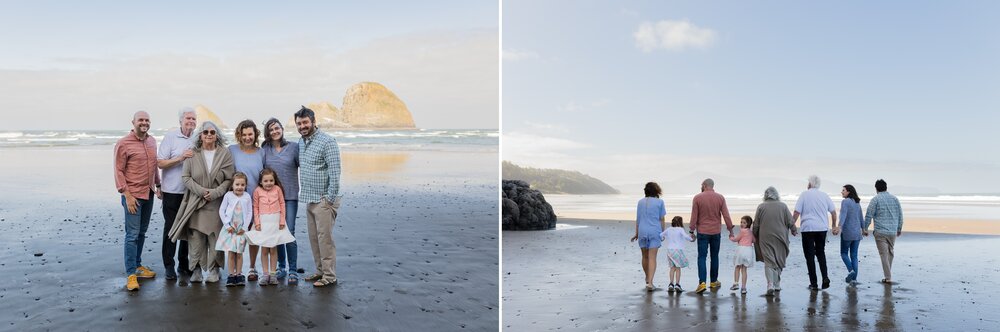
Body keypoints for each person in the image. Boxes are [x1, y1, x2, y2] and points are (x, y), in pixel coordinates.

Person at [168, 121, 234, 284]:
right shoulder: (192, 153)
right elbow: (186, 177)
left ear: (217, 134)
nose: (209, 135)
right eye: (206, 132)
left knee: (215, 238)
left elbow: (229, 178)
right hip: (195, 202)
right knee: (195, 238)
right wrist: (200, 191)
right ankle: (196, 269)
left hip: (216, 203)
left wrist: (215, 192)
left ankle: (214, 269)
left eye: (212, 132)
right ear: (200, 135)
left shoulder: (224, 153)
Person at [295, 106, 344, 287]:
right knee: (314, 238)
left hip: (324, 199)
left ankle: (329, 276)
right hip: (309, 198)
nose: (302, 126)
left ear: (313, 122)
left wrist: (329, 199)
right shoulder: (301, 142)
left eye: (305, 122)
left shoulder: (327, 142)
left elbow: (335, 172)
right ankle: (320, 271)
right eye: (299, 123)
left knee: (325, 240)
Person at [114, 111, 162, 291]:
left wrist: (158, 185)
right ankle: (131, 274)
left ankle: (138, 266)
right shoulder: (123, 143)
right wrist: (126, 194)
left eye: (147, 120)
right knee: (132, 235)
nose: (144, 123)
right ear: (133, 122)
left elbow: (154, 166)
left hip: (148, 193)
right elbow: (118, 171)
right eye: (141, 120)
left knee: (142, 232)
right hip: (132, 195)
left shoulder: (152, 141)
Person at [157, 107, 196, 280]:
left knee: (187, 230)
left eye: (194, 119)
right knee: (171, 229)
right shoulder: (171, 137)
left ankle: (183, 264)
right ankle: (169, 266)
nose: (191, 122)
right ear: (180, 121)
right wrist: (181, 158)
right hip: (171, 191)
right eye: (188, 118)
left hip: (190, 193)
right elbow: (160, 163)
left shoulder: (197, 139)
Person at [261, 118, 301, 283]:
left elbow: (303, 166)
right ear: (268, 133)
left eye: (277, 128)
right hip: (272, 199)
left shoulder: (293, 147)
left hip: (290, 196)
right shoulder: (265, 149)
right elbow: (262, 172)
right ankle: (281, 267)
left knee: (289, 232)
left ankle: (293, 269)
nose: (275, 131)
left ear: (282, 129)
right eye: (271, 129)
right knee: (277, 233)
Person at [229, 119, 266, 282]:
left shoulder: (261, 152)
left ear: (255, 134)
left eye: (250, 134)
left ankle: (251, 267)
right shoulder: (232, 150)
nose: (247, 137)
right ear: (239, 135)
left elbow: (265, 175)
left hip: (256, 200)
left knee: (253, 235)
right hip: (237, 201)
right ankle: (235, 271)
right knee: (237, 235)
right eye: (244, 134)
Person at [247, 168, 296, 286]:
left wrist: (282, 219)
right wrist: (257, 222)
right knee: (264, 249)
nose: (269, 183)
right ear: (260, 182)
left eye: (271, 180)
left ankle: (273, 274)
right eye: (266, 181)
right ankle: (265, 274)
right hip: (263, 222)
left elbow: (282, 204)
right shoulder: (257, 191)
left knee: (273, 249)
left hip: (275, 221)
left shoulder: (278, 189)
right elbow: (256, 207)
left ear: (274, 181)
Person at [689, 178, 734, 294]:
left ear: (704, 185)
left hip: (703, 232)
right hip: (715, 232)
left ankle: (702, 283)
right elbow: (726, 215)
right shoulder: (720, 198)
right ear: (712, 186)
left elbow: (694, 216)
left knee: (702, 257)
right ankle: (713, 281)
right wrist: (730, 229)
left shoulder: (697, 197)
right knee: (714, 257)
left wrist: (691, 230)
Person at [792, 175, 837, 290]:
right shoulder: (824, 195)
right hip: (822, 228)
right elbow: (833, 212)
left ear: (810, 184)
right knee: (821, 253)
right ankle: (825, 277)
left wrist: (792, 226)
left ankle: (814, 283)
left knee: (809, 256)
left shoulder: (804, 195)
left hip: (808, 228)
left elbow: (797, 212)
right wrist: (833, 225)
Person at [752, 186, 797, 296]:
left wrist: (754, 234)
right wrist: (794, 230)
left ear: (765, 195)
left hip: (765, 236)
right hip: (781, 236)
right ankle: (777, 285)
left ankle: (770, 284)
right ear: (777, 195)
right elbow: (790, 221)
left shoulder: (761, 207)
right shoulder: (783, 206)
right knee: (779, 259)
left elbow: (756, 223)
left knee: (769, 260)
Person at [863, 179, 904, 284]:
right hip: (892, 231)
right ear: (886, 187)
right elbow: (900, 215)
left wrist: (865, 228)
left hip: (880, 231)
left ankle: (888, 277)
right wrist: (899, 228)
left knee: (883, 254)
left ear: (876, 188)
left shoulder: (875, 199)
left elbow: (869, 214)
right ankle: (887, 276)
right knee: (890, 253)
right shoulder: (895, 199)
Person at [216, 172, 252, 287]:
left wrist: (245, 227)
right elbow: (222, 210)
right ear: (232, 185)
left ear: (245, 185)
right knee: (231, 253)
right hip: (231, 229)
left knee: (239, 253)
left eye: (242, 185)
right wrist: (227, 225)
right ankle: (231, 275)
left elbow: (249, 212)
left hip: (241, 230)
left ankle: (239, 274)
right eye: (237, 184)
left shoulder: (247, 196)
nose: (240, 187)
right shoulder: (228, 195)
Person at [630, 182, 667, 292]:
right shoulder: (660, 202)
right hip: (655, 230)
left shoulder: (640, 202)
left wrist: (637, 233)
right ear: (657, 191)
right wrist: (663, 232)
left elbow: (638, 219)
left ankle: (647, 279)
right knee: (652, 257)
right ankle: (650, 282)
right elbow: (662, 219)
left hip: (642, 230)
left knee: (644, 256)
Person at [833, 184, 864, 284]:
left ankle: (851, 271)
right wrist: (864, 229)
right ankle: (854, 280)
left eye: (843, 190)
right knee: (854, 256)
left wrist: (839, 227)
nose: (842, 192)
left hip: (848, 233)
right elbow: (861, 217)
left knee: (844, 253)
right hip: (857, 234)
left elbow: (843, 215)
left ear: (848, 192)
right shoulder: (857, 203)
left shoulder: (845, 202)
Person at [659, 216, 693, 293]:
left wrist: (663, 238)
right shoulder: (681, 229)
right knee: (678, 268)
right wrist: (692, 239)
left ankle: (671, 284)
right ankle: (677, 284)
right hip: (678, 251)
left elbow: (660, 235)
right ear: (680, 222)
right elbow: (686, 237)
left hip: (670, 251)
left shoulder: (668, 229)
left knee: (672, 268)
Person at [728, 216, 756, 295]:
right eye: (741, 222)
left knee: (737, 267)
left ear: (748, 224)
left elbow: (736, 239)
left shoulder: (742, 231)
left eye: (744, 223)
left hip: (741, 250)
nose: (742, 224)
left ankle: (736, 283)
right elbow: (754, 240)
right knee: (744, 270)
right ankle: (743, 288)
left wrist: (731, 237)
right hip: (749, 251)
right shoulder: (750, 232)